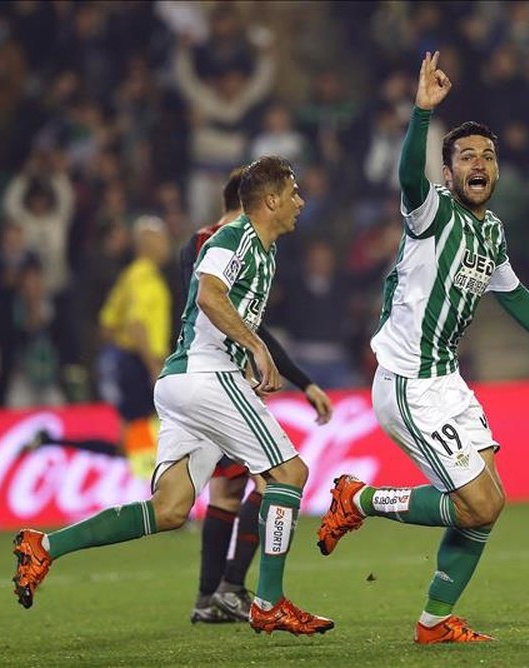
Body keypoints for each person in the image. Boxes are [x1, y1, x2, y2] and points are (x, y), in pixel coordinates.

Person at [315, 52, 529, 644]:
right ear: (448, 173)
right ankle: (362, 499)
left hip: (447, 379)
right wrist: (422, 115)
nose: (480, 164)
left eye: (488, 156)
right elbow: (407, 177)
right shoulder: (431, 213)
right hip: (406, 382)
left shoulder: (493, 229)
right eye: (467, 157)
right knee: (475, 503)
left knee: (490, 502)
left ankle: (433, 623)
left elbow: (516, 295)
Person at [12, 156, 336, 637]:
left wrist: (257, 357)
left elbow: (220, 313)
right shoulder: (235, 238)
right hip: (206, 378)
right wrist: (255, 347)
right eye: (293, 193)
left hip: (185, 384)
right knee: (290, 473)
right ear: (270, 201)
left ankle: (45, 547)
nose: (300, 202)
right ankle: (267, 601)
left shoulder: (264, 251)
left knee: (169, 509)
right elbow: (208, 296)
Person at [182, 167, 333, 624]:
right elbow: (212, 307)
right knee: (271, 483)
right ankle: (237, 591)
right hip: (217, 379)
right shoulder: (224, 241)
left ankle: (214, 596)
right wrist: (283, 368)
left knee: (225, 492)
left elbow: (244, 321)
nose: (295, 202)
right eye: (288, 194)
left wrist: (297, 377)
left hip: (216, 375)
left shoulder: (230, 241)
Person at [95, 216, 173, 480]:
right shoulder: (144, 277)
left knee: (132, 431)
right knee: (145, 429)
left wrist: (118, 353)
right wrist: (152, 367)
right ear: (147, 242)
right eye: (161, 239)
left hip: (129, 361)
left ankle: (137, 488)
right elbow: (137, 323)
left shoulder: (129, 275)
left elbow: (107, 323)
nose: (166, 245)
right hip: (142, 362)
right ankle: (146, 492)